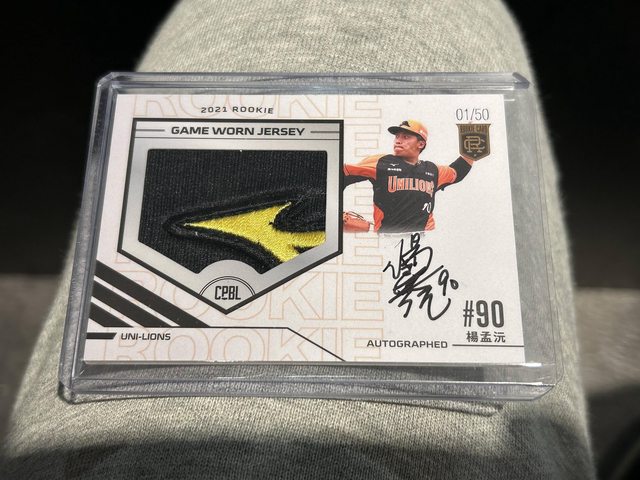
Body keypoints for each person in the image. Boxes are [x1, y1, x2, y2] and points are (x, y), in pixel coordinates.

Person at [343, 120, 474, 232]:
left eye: (405, 137)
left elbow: (458, 172)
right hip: (388, 240)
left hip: (425, 240)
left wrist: (472, 143)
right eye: (397, 136)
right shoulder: (380, 162)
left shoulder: (433, 170)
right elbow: (341, 176)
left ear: (421, 144)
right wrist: (334, 212)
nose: (398, 141)